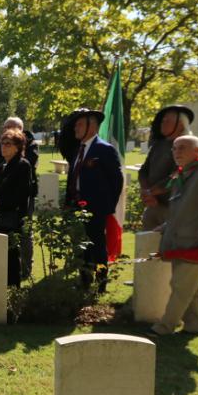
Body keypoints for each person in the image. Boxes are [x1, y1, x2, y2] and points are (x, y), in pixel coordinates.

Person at [150, 135, 198, 337]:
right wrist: (166, 226)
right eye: (175, 149)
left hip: (196, 244)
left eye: (183, 148)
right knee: (190, 287)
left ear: (196, 151)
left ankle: (165, 327)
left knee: (180, 287)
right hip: (179, 243)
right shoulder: (183, 175)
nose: (177, 152)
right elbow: (182, 211)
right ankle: (195, 325)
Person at [61, 108, 124, 292]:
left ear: (92, 125)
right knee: (81, 247)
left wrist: (107, 206)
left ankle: (101, 283)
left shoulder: (104, 149)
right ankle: (84, 280)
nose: (75, 129)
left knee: (97, 247)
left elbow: (116, 180)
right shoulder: (77, 150)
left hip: (96, 209)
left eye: (79, 124)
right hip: (76, 207)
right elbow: (72, 178)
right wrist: (68, 202)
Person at [0, 129, 34, 287]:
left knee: (11, 257)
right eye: (2, 143)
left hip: (11, 218)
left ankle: (12, 290)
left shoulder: (23, 165)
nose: (3, 147)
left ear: (17, 147)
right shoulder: (2, 165)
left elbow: (22, 194)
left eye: (8, 144)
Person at [0, 116, 40, 278]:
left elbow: (29, 162)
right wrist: (4, 168)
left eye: (11, 127)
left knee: (24, 232)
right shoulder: (4, 144)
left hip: (22, 198)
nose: (7, 130)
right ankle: (7, 269)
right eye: (5, 127)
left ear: (20, 128)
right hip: (2, 196)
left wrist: (8, 168)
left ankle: (25, 268)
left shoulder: (30, 143)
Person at [139, 105, 194, 230]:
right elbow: (143, 171)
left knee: (172, 247)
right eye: (162, 121)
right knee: (149, 246)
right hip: (153, 206)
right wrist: (145, 190)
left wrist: (150, 192)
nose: (162, 124)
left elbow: (179, 174)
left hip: (174, 210)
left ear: (180, 124)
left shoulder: (187, 146)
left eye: (167, 121)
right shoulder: (158, 145)